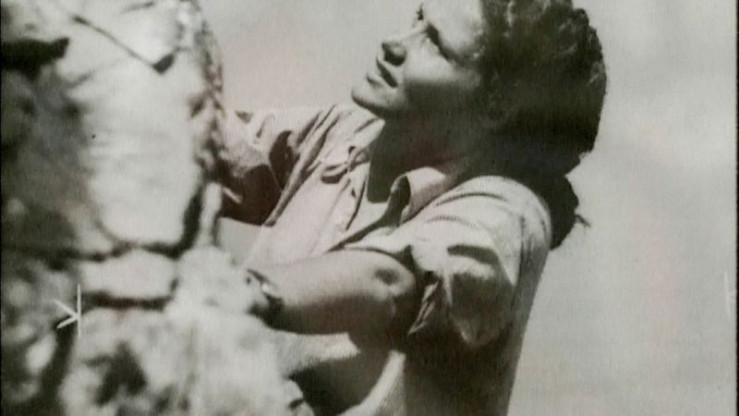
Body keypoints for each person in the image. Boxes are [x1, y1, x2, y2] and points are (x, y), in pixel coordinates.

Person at [218, 0, 607, 414]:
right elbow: (194, 142)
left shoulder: (510, 215)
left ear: (497, 105)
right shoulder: (348, 135)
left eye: (434, 43)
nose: (394, 43)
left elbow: (388, 284)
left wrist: (230, 294)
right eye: (417, 19)